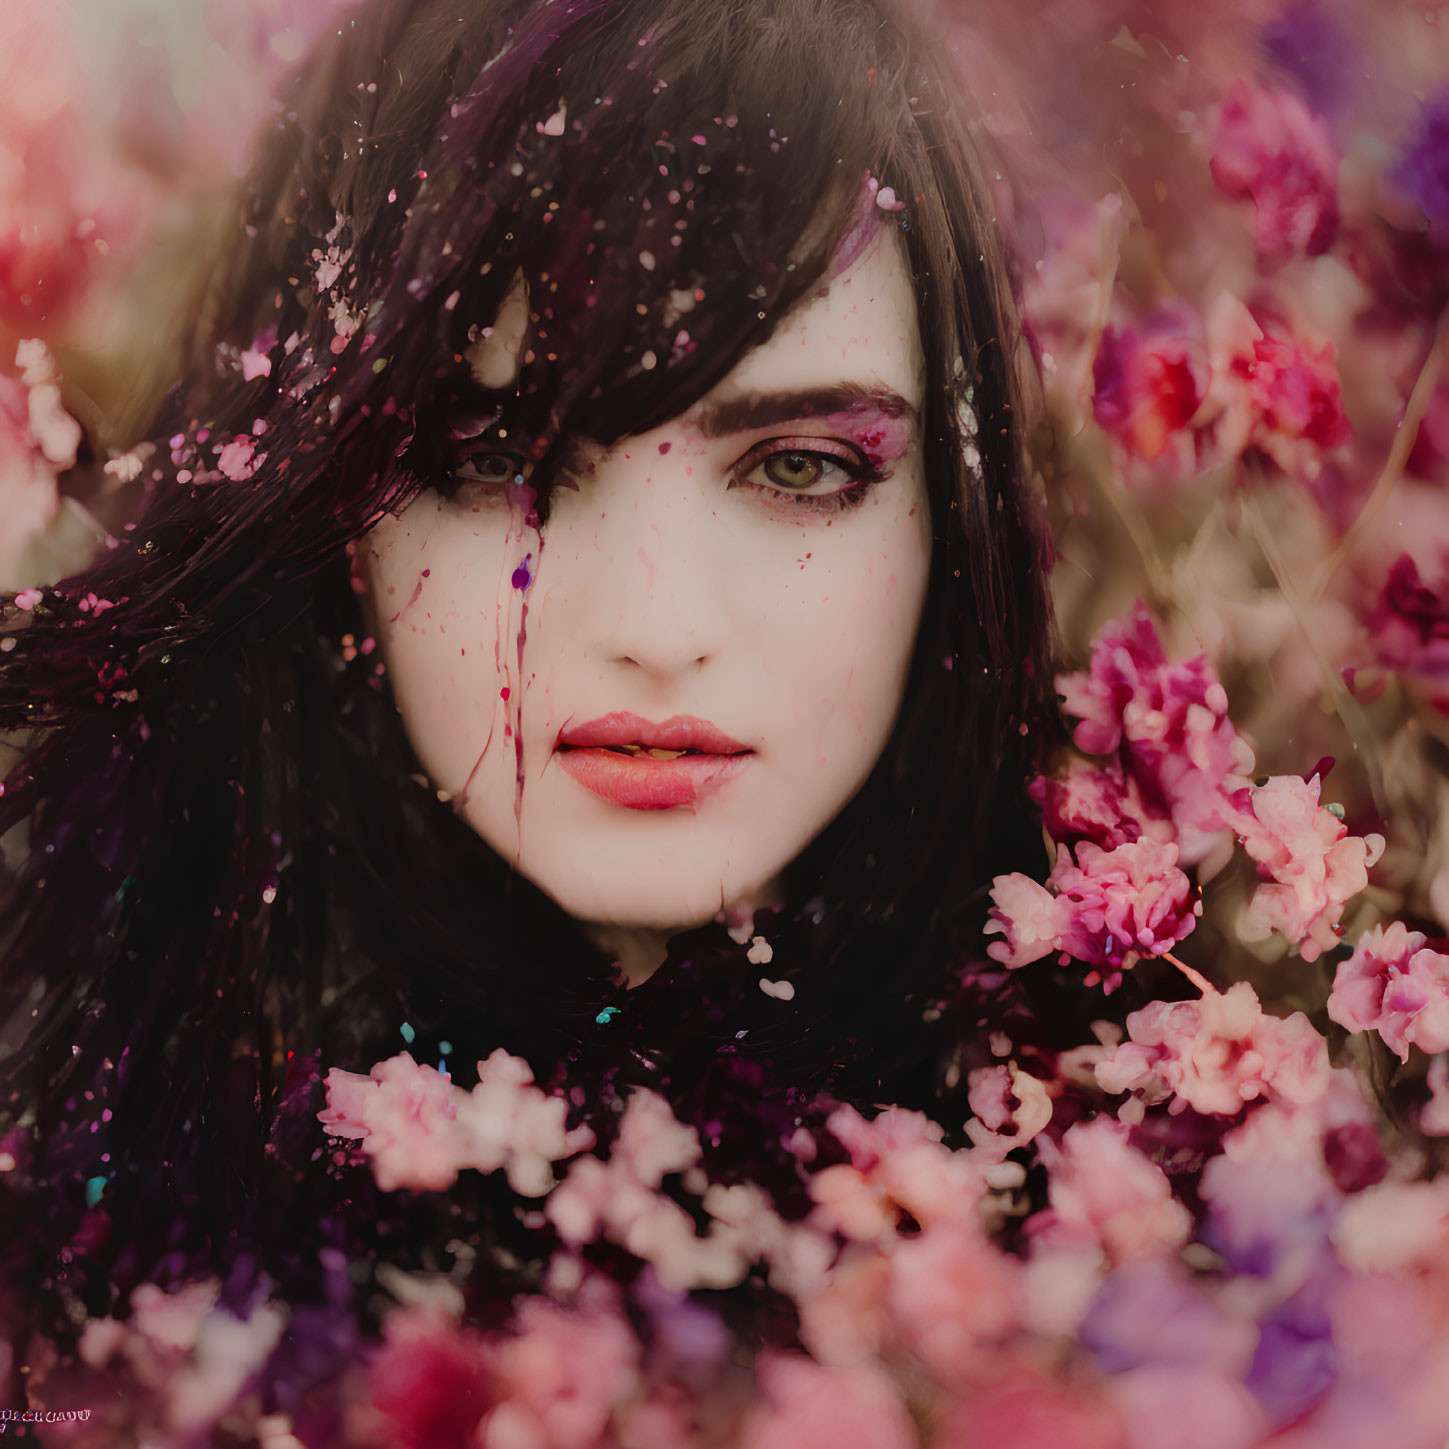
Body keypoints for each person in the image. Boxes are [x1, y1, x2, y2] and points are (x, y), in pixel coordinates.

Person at [0, 0, 1059, 1409]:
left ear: (953, 514)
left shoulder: (1153, 1193)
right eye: (498, 455)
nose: (653, 627)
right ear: (328, 507)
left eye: (801, 466)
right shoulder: (58, 1187)